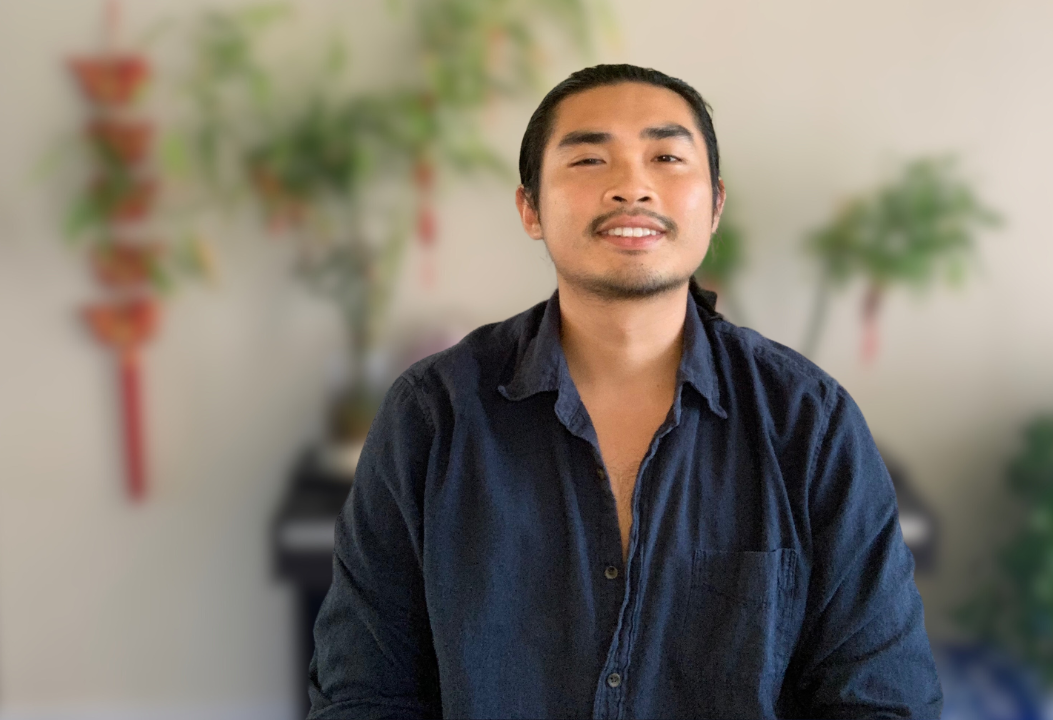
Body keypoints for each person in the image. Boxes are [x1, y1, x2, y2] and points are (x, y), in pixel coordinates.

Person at [307, 64, 942, 719]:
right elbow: (365, 691)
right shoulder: (433, 415)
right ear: (530, 207)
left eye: (666, 156)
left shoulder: (809, 422)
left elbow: (882, 698)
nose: (631, 186)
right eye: (588, 159)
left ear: (715, 203)